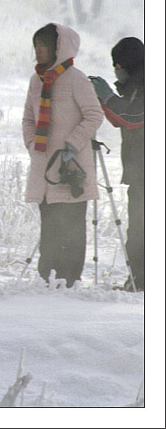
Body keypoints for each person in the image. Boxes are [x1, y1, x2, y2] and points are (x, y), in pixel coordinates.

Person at [22, 23, 104, 287]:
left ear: (59, 48)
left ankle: (70, 279)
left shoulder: (76, 79)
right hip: (43, 165)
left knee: (71, 225)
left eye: (44, 46)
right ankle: (47, 277)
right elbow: (27, 119)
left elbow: (94, 115)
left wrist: (72, 144)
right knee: (49, 223)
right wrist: (33, 144)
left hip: (71, 166)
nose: (39, 51)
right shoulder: (36, 81)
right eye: (37, 46)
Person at [89, 37, 145, 292]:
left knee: (142, 229)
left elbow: (134, 117)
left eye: (118, 64)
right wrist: (105, 100)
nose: (116, 70)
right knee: (138, 228)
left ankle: (142, 282)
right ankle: (139, 279)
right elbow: (121, 119)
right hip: (139, 170)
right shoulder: (135, 84)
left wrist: (108, 97)